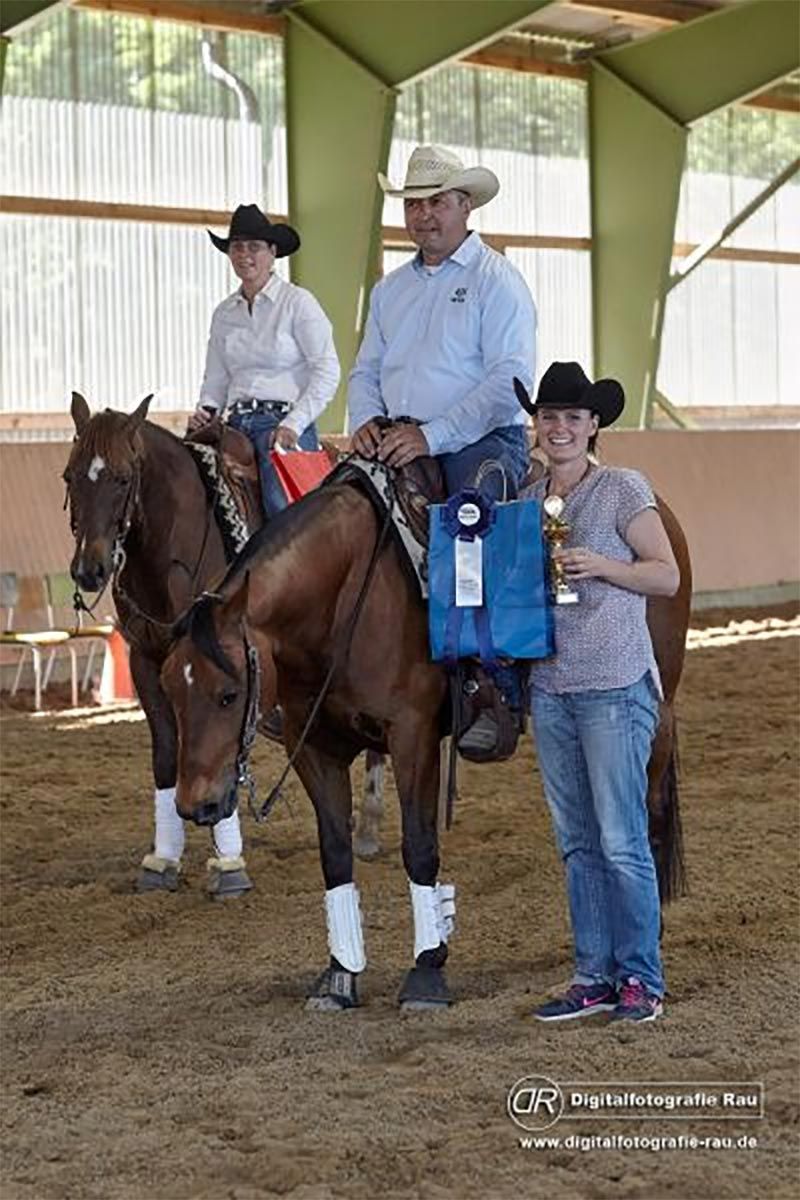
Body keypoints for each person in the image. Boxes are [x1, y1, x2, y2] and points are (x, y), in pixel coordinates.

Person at [522, 361, 680, 1024]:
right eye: (549, 416)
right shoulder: (527, 502)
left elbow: (665, 575)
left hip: (615, 683)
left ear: (593, 427)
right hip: (551, 686)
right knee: (578, 840)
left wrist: (604, 565)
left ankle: (641, 977)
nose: (560, 428)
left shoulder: (622, 489)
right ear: (538, 426)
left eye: (572, 418)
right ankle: (593, 973)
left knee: (619, 839)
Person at [347, 145, 536, 501]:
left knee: (470, 513)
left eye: (437, 202)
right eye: (413, 204)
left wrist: (432, 436)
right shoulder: (390, 289)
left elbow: (511, 380)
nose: (423, 214)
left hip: (482, 440)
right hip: (397, 437)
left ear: (466, 205)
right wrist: (365, 420)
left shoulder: (497, 280)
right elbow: (366, 371)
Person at [188, 203, 340, 516]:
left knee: (281, 509)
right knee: (189, 490)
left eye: (254, 247)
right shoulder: (224, 314)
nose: (245, 255)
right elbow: (216, 378)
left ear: (272, 253)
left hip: (283, 422)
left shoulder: (298, 303)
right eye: (237, 247)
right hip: (235, 425)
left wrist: (293, 425)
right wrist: (205, 411)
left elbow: (327, 370)